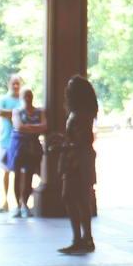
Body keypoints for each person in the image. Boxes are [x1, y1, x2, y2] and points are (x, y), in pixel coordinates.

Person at [57, 75, 98, 255]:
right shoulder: (83, 112)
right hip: (80, 158)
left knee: (74, 197)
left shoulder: (80, 114)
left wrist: (63, 145)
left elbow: (83, 139)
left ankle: (81, 238)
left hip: (77, 160)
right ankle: (83, 238)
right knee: (79, 198)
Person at [12, 88, 45, 218]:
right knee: (18, 176)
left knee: (29, 176)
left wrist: (27, 128)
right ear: (21, 97)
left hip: (33, 147)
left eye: (29, 95)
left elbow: (44, 126)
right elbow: (18, 126)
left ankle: (25, 203)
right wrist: (35, 128)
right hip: (19, 147)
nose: (28, 98)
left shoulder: (39, 111)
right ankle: (18, 205)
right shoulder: (17, 111)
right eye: (25, 96)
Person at [0, 75, 23, 212]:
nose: (16, 86)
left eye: (18, 83)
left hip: (20, 140)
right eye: (13, 83)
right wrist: (16, 114)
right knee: (6, 171)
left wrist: (12, 114)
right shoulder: (4, 99)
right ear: (9, 84)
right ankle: (5, 200)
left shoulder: (23, 99)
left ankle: (21, 202)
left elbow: (25, 114)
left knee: (21, 173)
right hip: (6, 139)